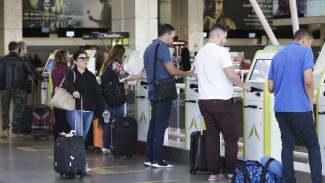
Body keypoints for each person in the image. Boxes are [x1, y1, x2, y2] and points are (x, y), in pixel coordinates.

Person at [194, 24, 250, 181]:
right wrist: (245, 86)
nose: (225, 40)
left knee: (212, 136)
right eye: (225, 36)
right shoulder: (221, 51)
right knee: (231, 137)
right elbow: (231, 75)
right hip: (221, 101)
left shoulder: (200, 53)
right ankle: (231, 172)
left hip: (204, 101)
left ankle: (213, 173)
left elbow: (197, 75)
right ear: (218, 36)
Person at [268, 29, 323, 183]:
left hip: (280, 110)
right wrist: (310, 103)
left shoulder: (277, 56)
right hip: (299, 108)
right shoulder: (305, 53)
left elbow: (270, 88)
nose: (310, 48)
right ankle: (317, 181)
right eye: (310, 44)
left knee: (287, 145)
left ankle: (290, 180)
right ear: (304, 40)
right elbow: (308, 81)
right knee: (313, 145)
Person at [143, 24, 194, 168]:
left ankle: (149, 157)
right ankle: (158, 160)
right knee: (161, 126)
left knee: (154, 125)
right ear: (166, 35)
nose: (172, 40)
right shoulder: (163, 48)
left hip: (153, 90)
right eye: (172, 37)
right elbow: (172, 72)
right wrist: (189, 73)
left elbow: (152, 68)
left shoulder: (149, 48)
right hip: (164, 92)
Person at [65, 50, 108, 171]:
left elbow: (97, 94)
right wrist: (73, 91)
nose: (85, 61)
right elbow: (69, 85)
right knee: (79, 135)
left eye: (86, 58)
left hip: (88, 111)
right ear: (75, 61)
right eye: (82, 58)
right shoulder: (71, 73)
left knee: (82, 138)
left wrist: (104, 108)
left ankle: (75, 161)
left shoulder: (90, 76)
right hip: (75, 109)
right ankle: (80, 163)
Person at [100, 44, 142, 155]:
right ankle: (116, 145)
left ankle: (106, 146)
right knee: (117, 122)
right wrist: (140, 75)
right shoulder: (115, 64)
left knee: (108, 122)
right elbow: (125, 77)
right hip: (116, 99)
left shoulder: (107, 63)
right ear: (120, 54)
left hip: (107, 98)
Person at [0, 41, 32, 139]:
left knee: (5, 108)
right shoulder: (21, 59)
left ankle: (5, 130)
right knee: (18, 109)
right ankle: (15, 131)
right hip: (19, 87)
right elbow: (29, 71)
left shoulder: (2, 59)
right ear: (17, 48)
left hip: (4, 87)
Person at [50, 49, 71, 140]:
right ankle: (63, 139)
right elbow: (68, 84)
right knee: (64, 120)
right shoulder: (66, 69)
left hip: (56, 96)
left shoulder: (54, 69)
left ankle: (57, 139)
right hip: (64, 97)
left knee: (57, 120)